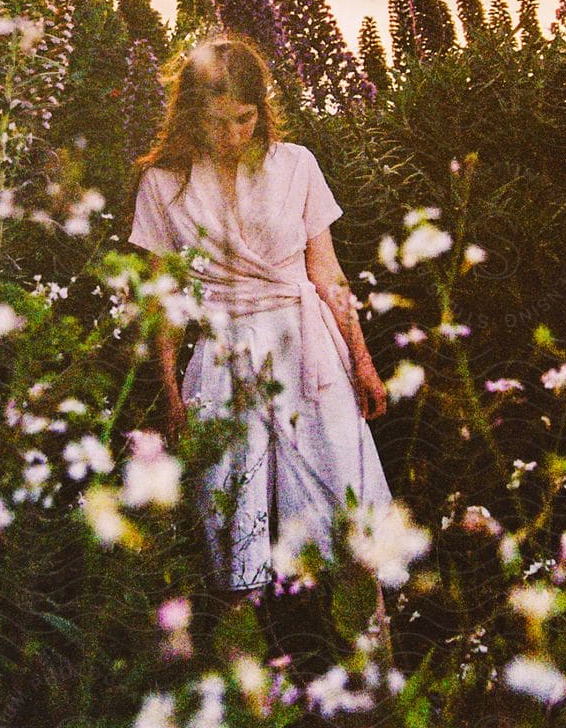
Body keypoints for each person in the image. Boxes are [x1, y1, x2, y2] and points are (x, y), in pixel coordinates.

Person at [126, 34, 392, 609]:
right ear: (192, 114)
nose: (233, 135)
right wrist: (170, 393)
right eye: (218, 121)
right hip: (224, 352)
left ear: (262, 108)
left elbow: (328, 276)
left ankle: (375, 678)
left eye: (245, 119)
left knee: (345, 511)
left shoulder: (296, 165)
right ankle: (249, 686)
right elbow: (163, 301)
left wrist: (363, 363)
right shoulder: (163, 183)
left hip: (309, 349)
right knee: (231, 526)